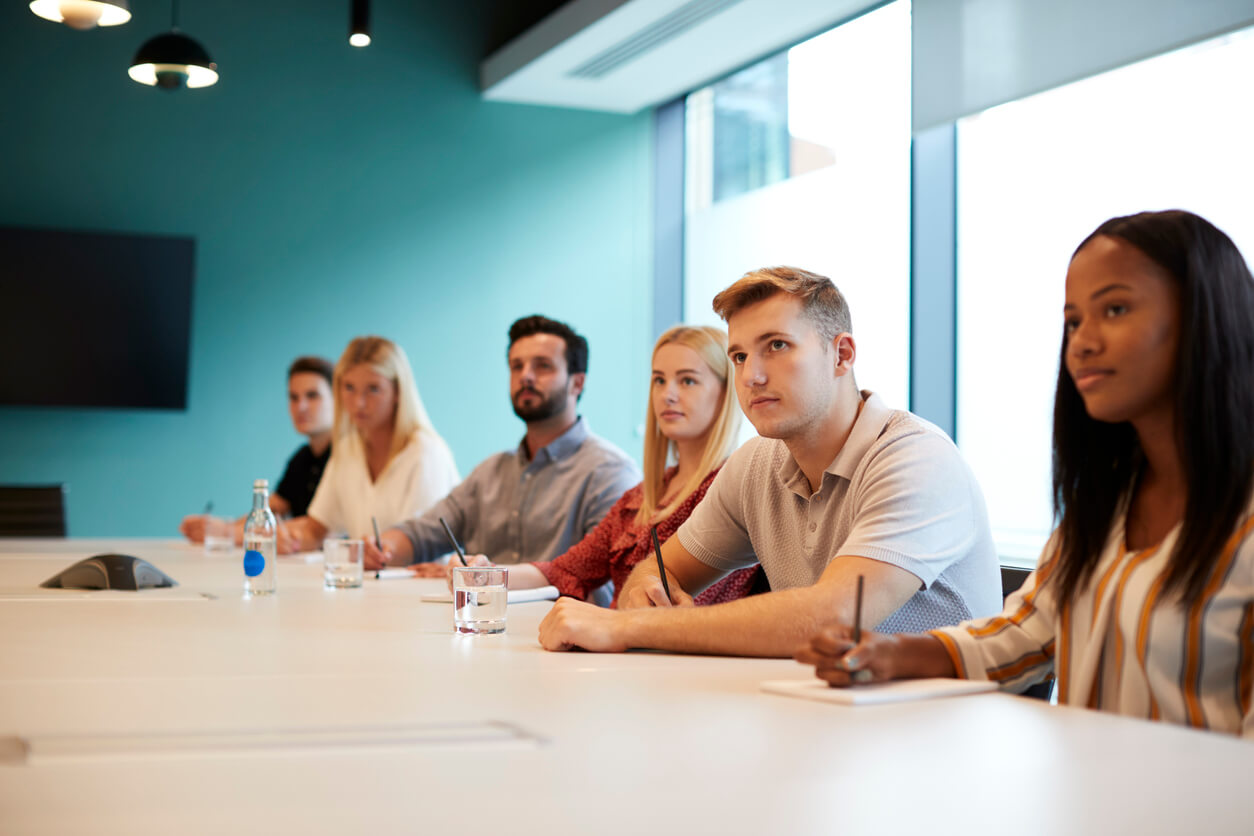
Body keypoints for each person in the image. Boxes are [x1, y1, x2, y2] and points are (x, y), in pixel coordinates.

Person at [798, 210, 1254, 738]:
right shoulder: (1108, 503)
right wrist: (889, 653)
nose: (1081, 342)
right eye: (1074, 320)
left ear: (1206, 317)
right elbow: (1030, 633)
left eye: (1116, 308)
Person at [538, 267, 1001, 654]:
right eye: (738, 356)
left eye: (776, 346)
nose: (752, 376)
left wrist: (629, 627)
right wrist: (644, 593)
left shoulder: (915, 458)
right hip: (825, 721)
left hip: (939, 735)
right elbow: (660, 570)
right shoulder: (757, 464)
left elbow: (833, 616)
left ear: (841, 354)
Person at [452, 325, 762, 606]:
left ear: (726, 392)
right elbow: (564, 571)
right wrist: (485, 573)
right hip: (620, 654)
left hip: (671, 662)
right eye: (659, 380)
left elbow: (686, 610)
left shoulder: (728, 490)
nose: (667, 395)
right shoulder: (638, 499)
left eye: (688, 381)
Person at [364, 316, 640, 592]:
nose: (526, 376)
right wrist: (382, 549)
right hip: (476, 626)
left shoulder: (610, 472)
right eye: (516, 366)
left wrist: (487, 578)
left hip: (558, 630)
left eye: (542, 366)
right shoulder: (490, 471)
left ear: (576, 383)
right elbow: (424, 533)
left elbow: (605, 581)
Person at [278, 336, 459, 552]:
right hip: (369, 581)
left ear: (398, 392)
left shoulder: (426, 453)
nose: (359, 403)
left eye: (373, 389)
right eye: (349, 388)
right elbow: (316, 531)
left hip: (421, 583)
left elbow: (422, 545)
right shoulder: (347, 450)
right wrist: (291, 539)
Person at [179, 355, 335, 544]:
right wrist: (217, 527)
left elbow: (319, 527)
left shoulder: (349, 458)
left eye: (312, 396)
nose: (300, 406)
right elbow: (269, 510)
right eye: (293, 397)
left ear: (338, 399)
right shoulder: (302, 458)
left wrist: (227, 533)